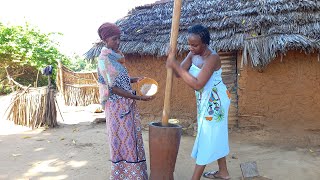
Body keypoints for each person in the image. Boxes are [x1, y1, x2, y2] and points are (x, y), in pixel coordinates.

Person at [166, 24, 231, 180]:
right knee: (216, 133)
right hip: (204, 100)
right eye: (189, 44)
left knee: (207, 136)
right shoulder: (192, 54)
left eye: (195, 44)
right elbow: (178, 74)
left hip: (216, 102)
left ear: (205, 43)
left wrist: (175, 64)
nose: (191, 47)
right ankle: (223, 172)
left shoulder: (212, 58)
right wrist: (172, 61)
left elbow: (197, 84)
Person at [97, 22, 154, 180]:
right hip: (116, 108)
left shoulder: (115, 58)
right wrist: (138, 97)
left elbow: (120, 80)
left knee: (132, 140)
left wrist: (136, 79)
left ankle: (135, 175)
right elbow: (113, 88)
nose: (117, 42)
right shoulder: (104, 60)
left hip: (126, 105)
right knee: (123, 142)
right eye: (114, 39)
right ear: (105, 41)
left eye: (119, 38)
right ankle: (123, 175)